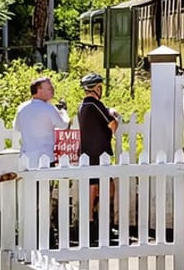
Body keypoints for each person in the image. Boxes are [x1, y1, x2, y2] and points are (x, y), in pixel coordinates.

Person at [78, 73, 119, 235]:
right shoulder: (95, 104)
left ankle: (92, 224)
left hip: (88, 151)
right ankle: (99, 225)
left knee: (94, 187)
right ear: (97, 88)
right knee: (104, 188)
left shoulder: (83, 105)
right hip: (98, 152)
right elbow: (112, 123)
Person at [13, 77, 69, 168]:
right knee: (45, 181)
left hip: (26, 157)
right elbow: (63, 125)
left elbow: (17, 127)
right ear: (39, 89)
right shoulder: (48, 108)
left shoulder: (22, 108)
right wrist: (64, 112)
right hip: (45, 156)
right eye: (49, 88)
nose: (52, 91)